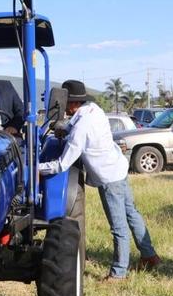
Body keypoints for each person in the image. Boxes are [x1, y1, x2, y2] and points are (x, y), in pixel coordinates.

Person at [38, 80, 160, 280]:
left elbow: (62, 164)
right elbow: (75, 125)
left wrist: (37, 169)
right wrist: (65, 129)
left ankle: (119, 273)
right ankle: (149, 255)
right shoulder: (93, 110)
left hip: (108, 177)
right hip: (117, 169)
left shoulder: (80, 128)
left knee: (118, 225)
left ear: (71, 103)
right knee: (131, 214)